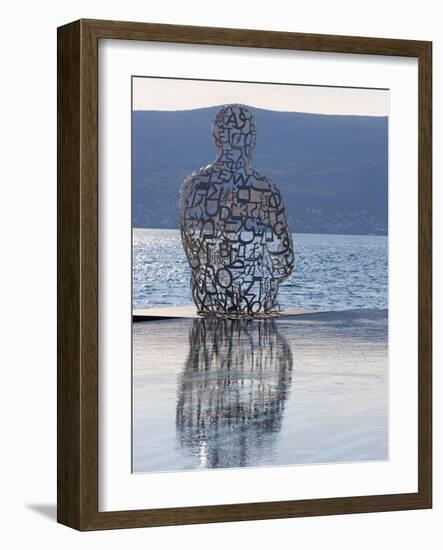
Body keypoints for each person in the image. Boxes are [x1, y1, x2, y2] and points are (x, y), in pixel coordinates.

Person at [179, 104, 294, 316]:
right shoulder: (266, 191)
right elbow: (284, 265)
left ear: (215, 138)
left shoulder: (191, 187)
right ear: (252, 140)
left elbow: (192, 257)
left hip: (208, 299)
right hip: (254, 302)